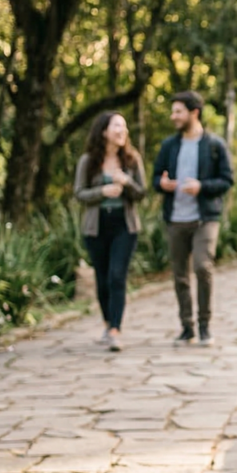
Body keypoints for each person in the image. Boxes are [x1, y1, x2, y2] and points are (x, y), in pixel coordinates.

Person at [152, 91, 234, 348]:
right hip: (176, 218)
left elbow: (227, 180)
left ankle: (205, 326)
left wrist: (202, 187)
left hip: (205, 217)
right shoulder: (169, 146)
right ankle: (187, 328)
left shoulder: (214, 145)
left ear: (194, 112)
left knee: (202, 266)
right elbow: (156, 178)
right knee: (180, 275)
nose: (173, 116)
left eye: (178, 111)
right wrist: (162, 184)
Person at [73, 112, 145, 352]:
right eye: (117, 126)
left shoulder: (132, 160)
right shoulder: (88, 161)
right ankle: (107, 323)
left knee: (117, 276)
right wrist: (102, 192)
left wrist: (126, 182)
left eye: (124, 126)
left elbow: (141, 193)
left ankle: (115, 329)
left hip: (125, 226)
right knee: (102, 279)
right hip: (97, 227)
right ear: (104, 131)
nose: (121, 130)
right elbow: (79, 193)